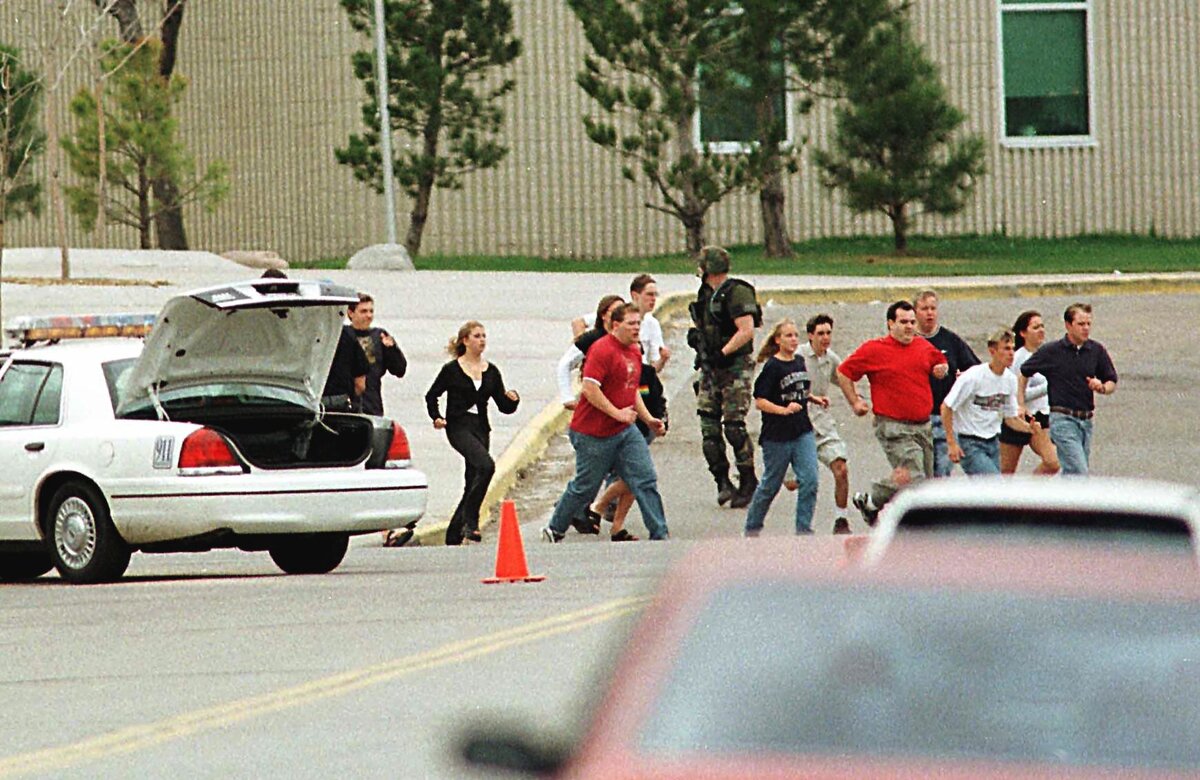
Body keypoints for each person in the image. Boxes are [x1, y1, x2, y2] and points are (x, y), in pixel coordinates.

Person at [541, 304, 669, 542]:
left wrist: (648, 419)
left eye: (638, 323)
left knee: (645, 477)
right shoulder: (601, 350)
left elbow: (631, 391)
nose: (636, 328)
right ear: (615, 325)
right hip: (592, 433)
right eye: (631, 324)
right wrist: (617, 413)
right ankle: (555, 528)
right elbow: (590, 389)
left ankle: (659, 534)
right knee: (585, 486)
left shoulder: (633, 351)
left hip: (625, 431)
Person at [836, 300, 949, 524]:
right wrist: (855, 402)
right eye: (903, 322)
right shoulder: (874, 349)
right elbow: (844, 372)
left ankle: (871, 504)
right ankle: (876, 498)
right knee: (913, 477)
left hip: (923, 426)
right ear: (890, 324)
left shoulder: (923, 346)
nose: (909, 327)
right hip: (893, 426)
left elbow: (940, 362)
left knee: (923, 482)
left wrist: (941, 370)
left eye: (912, 322)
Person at [425, 321, 520, 546]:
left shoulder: (492, 371)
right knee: (486, 466)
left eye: (484, 336)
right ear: (465, 341)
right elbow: (432, 395)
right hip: (458, 426)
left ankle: (453, 534)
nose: (482, 340)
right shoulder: (451, 370)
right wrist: (437, 417)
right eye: (477, 336)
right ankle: (471, 522)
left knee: (472, 479)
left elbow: (503, 406)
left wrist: (513, 400)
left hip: (481, 427)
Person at [687, 245, 763, 508]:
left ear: (707, 268)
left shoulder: (736, 292)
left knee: (733, 426)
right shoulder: (706, 293)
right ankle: (722, 480)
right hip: (710, 369)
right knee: (708, 426)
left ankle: (748, 479)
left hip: (734, 367)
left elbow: (746, 330)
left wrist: (723, 351)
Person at [743, 319, 826, 537]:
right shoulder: (772, 367)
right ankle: (752, 527)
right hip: (777, 437)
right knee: (771, 485)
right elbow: (760, 400)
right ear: (778, 340)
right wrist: (782, 410)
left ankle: (803, 529)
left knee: (810, 480)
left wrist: (815, 398)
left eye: (795, 335)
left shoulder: (799, 361)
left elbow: (799, 391)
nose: (793, 340)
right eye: (788, 336)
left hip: (802, 431)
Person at [1018, 303, 1118, 476]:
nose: (1086, 328)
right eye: (1081, 324)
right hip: (1062, 419)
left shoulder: (1096, 350)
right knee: (1079, 471)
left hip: (1085, 421)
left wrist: (1102, 387)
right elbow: (1024, 372)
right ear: (1068, 325)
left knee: (1073, 472)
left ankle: (1060, 500)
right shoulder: (1052, 351)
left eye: (1088, 324)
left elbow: (1111, 380)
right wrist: (1020, 404)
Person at [940, 328, 1032, 475]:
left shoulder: (1010, 379)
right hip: (970, 443)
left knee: (988, 494)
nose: (1011, 354)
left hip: (993, 442)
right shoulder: (973, 377)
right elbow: (947, 407)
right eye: (1006, 349)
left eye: (1013, 349)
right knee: (994, 486)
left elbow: (1010, 418)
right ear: (992, 351)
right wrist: (951, 443)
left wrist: (1031, 428)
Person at [914, 289, 981, 477]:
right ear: (915, 311)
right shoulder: (909, 341)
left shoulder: (950, 340)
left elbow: (975, 370)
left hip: (944, 416)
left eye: (933, 308)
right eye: (924, 308)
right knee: (918, 474)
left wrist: (962, 379)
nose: (929, 313)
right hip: (916, 419)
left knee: (941, 472)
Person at [797, 314, 852, 534]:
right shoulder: (798, 355)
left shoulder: (831, 359)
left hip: (822, 423)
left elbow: (845, 381)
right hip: (796, 423)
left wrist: (858, 402)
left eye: (828, 333)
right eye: (820, 333)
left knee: (841, 469)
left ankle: (841, 520)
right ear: (810, 335)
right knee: (794, 483)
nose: (825, 338)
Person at [1000, 310, 1060, 475]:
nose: (1041, 330)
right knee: (1005, 472)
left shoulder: (1046, 355)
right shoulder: (1018, 357)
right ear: (1023, 333)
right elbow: (1014, 393)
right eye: (1035, 327)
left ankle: (1027, 492)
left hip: (1039, 418)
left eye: (1042, 326)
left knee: (1052, 462)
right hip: (1017, 417)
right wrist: (1047, 387)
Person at [346, 292, 407, 416]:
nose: (368, 315)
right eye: (363, 311)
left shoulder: (379, 336)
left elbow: (400, 370)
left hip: (372, 404)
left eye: (371, 311)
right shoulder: (343, 336)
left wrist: (392, 350)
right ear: (350, 313)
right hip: (346, 403)